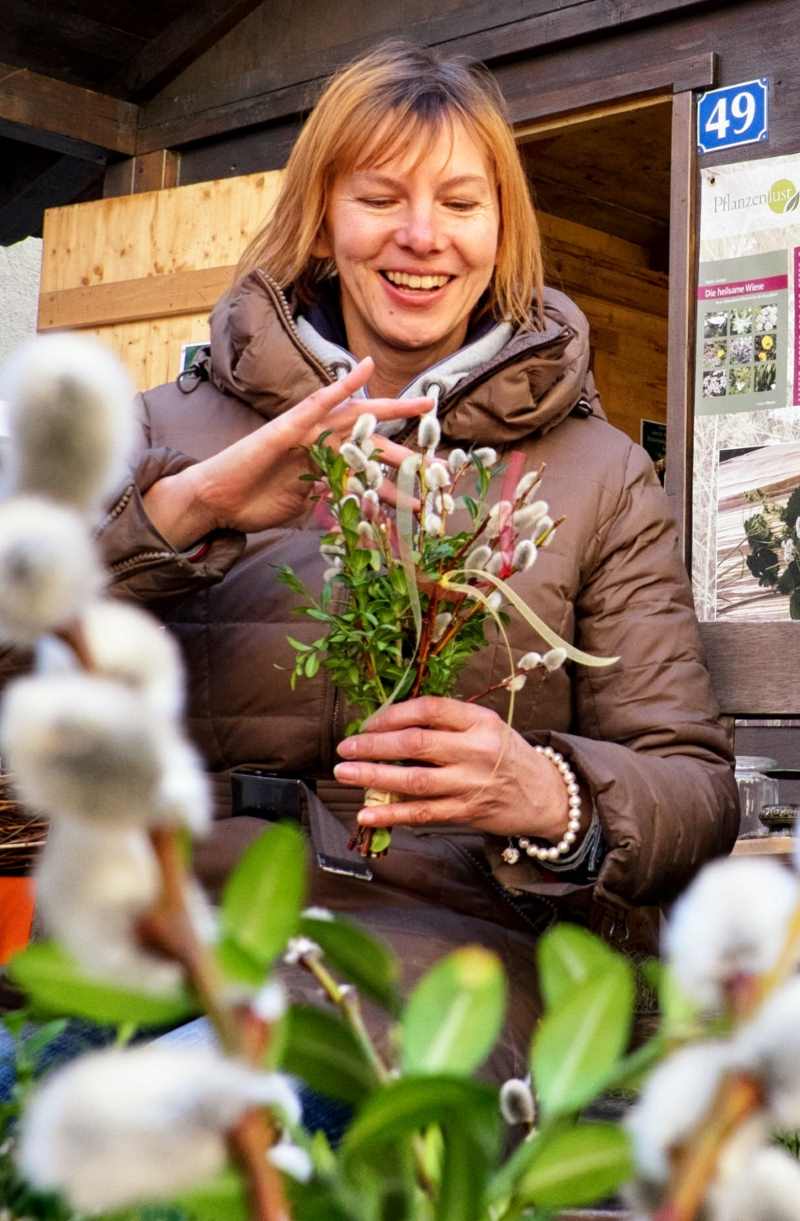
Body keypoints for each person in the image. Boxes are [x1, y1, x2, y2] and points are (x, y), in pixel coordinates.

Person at [97, 42, 738, 1081]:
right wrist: (177, 517)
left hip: (455, 964)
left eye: (459, 201)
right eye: (380, 196)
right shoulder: (166, 433)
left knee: (200, 1121)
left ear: (500, 227)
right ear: (322, 215)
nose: (420, 237)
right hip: (177, 935)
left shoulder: (593, 471)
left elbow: (693, 788)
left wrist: (548, 793)